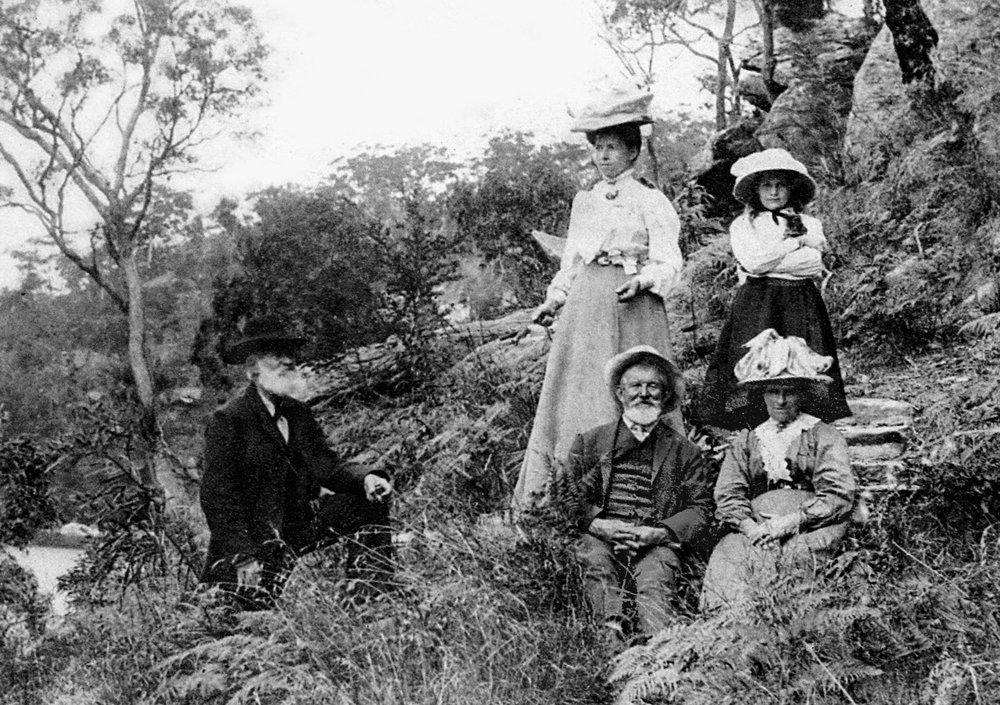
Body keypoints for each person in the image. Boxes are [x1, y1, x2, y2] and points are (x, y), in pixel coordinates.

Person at [512, 84, 685, 514]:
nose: (603, 156)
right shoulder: (585, 201)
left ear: (633, 152)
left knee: (636, 382)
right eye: (598, 148)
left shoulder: (650, 200)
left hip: (632, 302)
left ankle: (641, 489)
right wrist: (555, 298)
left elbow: (669, 261)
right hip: (587, 303)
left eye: (613, 147)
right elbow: (572, 260)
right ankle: (573, 491)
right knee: (581, 388)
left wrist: (643, 282)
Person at [200, 316, 394, 610]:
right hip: (254, 544)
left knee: (366, 503)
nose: (288, 361)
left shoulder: (298, 413)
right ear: (253, 368)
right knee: (244, 620)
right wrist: (242, 557)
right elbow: (217, 497)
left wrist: (366, 478)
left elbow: (327, 466)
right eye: (276, 354)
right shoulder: (230, 419)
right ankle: (230, 604)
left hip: (298, 529)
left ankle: (372, 601)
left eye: (289, 353)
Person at [558, 346, 713, 647]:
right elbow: (563, 496)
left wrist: (659, 532)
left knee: (658, 575)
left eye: (653, 387)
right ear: (620, 393)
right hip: (600, 536)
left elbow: (700, 509)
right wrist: (598, 525)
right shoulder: (590, 442)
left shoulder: (685, 451)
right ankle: (610, 639)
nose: (643, 394)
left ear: (665, 396)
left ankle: (658, 651)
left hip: (655, 539)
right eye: (635, 386)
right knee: (595, 561)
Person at [700, 329, 857, 612]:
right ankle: (730, 626)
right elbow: (728, 492)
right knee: (731, 557)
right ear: (762, 394)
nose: (781, 400)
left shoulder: (823, 435)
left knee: (796, 560)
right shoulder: (748, 439)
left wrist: (788, 523)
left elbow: (838, 494)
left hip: (812, 526)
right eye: (773, 391)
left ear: (803, 392)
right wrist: (751, 528)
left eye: (789, 391)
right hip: (757, 526)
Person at [698, 148, 851, 430]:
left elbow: (813, 263)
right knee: (757, 360)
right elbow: (754, 263)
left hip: (800, 299)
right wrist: (795, 244)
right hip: (758, 300)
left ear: (791, 189)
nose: (774, 192)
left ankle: (807, 422)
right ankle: (754, 422)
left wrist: (773, 258)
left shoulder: (810, 223)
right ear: (755, 190)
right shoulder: (744, 225)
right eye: (766, 185)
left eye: (780, 185)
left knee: (802, 359)